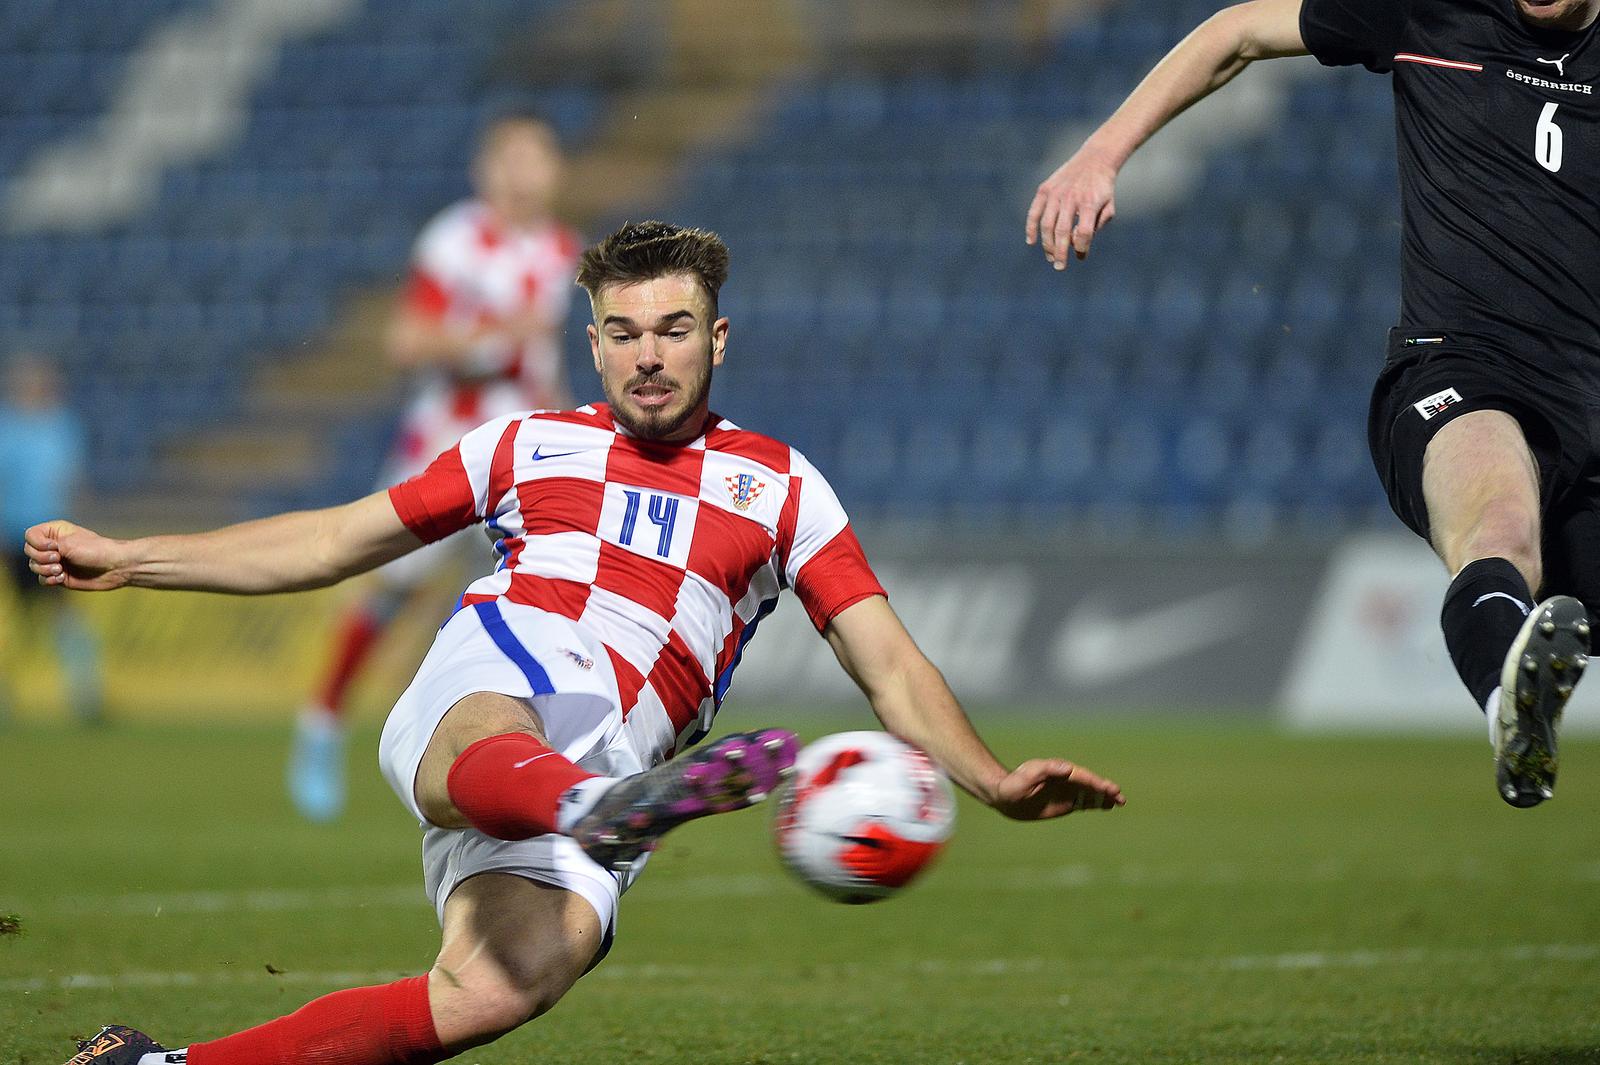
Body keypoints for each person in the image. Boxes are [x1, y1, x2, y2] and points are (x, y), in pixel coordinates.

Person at [34, 220, 1125, 1065]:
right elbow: (332, 540)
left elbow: (883, 656)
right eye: (623, 331)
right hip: (512, 667)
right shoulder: (525, 444)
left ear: (718, 336)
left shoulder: (785, 488)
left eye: (674, 329)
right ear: (591, 341)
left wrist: (988, 780)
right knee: (507, 707)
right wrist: (132, 558)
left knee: (491, 992)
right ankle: (579, 807)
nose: (648, 357)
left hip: (622, 767)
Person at [1025, 0, 1599, 808]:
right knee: (1501, 527)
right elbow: (1238, 34)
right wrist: (1102, 152)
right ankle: (1516, 711)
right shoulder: (1432, 12)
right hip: (1462, 375)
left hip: (1588, 402)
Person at [290, 109, 583, 822]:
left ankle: (527, 746)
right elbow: (406, 342)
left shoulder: (561, 251)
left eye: (536, 157)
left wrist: (576, 428)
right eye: (510, 157)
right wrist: (490, 338)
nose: (523, 172)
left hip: (523, 448)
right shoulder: (456, 238)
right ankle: (322, 721)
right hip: (447, 440)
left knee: (540, 590)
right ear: (486, 169)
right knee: (394, 587)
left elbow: (542, 363)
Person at [0, 352, 101, 724]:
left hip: (55, 535)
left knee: (65, 613)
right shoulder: (7, 426)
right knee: (14, 618)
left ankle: (84, 694)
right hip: (12, 535)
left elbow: (72, 481)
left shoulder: (62, 426)